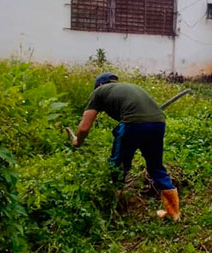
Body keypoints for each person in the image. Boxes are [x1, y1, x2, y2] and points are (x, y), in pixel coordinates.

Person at [72, 73, 180, 221]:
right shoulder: (129, 87)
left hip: (133, 124)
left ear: (99, 85)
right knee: (156, 167)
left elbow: (84, 128)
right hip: (158, 123)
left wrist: (78, 141)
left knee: (117, 166)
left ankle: (111, 212)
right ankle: (174, 213)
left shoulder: (99, 92)